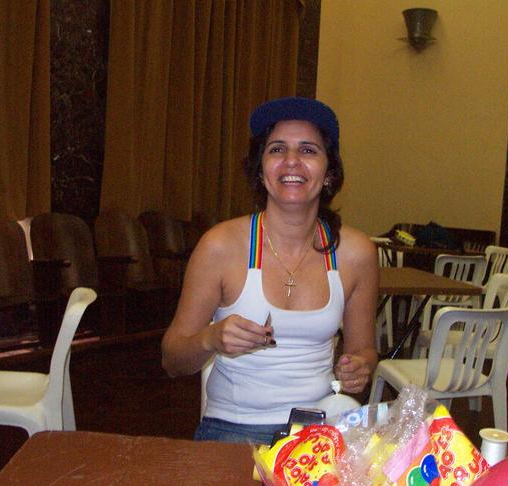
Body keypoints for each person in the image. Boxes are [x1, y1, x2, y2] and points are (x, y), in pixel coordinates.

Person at [161, 96, 379, 444]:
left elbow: (364, 350)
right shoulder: (220, 246)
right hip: (232, 429)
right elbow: (172, 359)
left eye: (308, 150)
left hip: (319, 430)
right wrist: (211, 338)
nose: (292, 160)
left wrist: (359, 369)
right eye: (277, 149)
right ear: (261, 172)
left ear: (329, 173)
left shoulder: (355, 253)